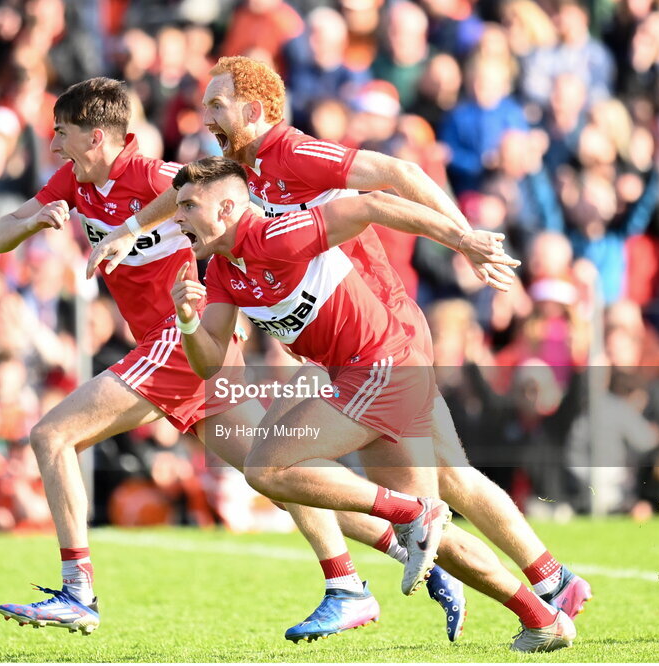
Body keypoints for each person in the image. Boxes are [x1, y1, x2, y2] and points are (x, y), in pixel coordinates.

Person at [0, 77, 514, 641]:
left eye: (61, 133)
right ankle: (375, 571)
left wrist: (132, 229)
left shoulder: (147, 174)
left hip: (181, 336)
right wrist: (30, 222)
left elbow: (205, 193)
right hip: (190, 346)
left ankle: (77, 592)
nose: (53, 144)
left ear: (96, 137)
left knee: (52, 436)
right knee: (282, 479)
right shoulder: (70, 181)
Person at [89, 55, 592, 641]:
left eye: (216, 105)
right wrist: (131, 232)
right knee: (444, 483)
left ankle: (371, 574)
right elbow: (188, 192)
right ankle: (548, 590)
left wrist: (466, 237)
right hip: (349, 354)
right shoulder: (232, 189)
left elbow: (391, 179)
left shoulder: (289, 156)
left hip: (386, 335)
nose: (204, 116)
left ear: (255, 110)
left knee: (349, 483)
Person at [167, 156, 575, 652]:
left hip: (383, 366)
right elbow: (210, 365)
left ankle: (398, 529)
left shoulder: (278, 234)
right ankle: (542, 618)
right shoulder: (224, 272)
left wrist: (463, 240)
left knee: (265, 468)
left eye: (189, 205)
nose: (178, 217)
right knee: (433, 539)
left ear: (229, 207)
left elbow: (374, 203)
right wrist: (187, 319)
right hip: (356, 374)